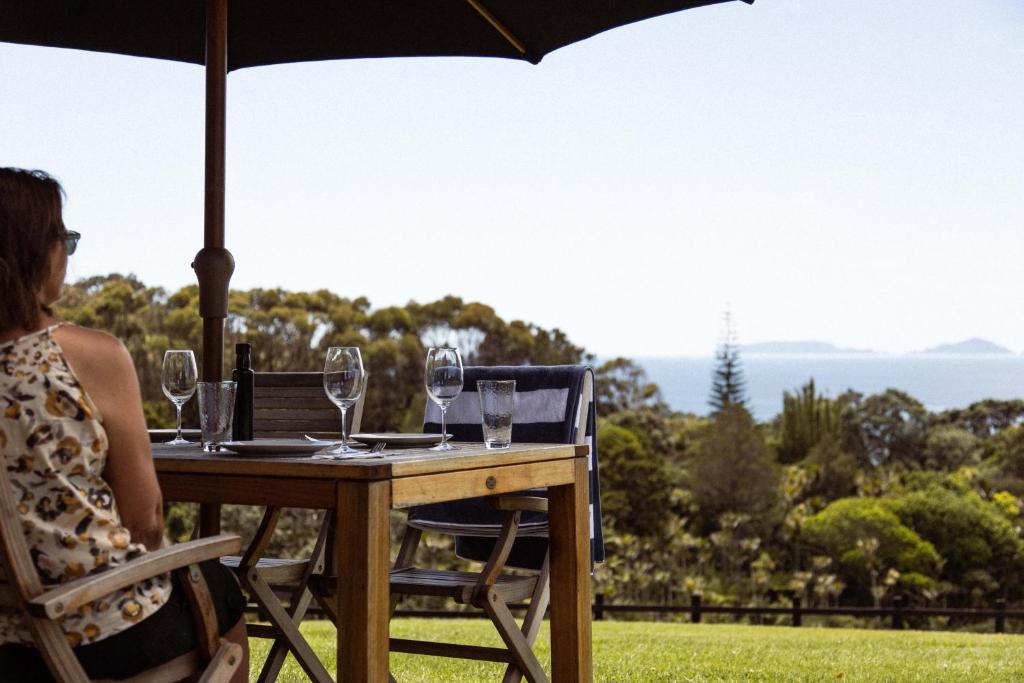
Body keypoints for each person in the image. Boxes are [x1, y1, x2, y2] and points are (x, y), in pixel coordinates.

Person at [0, 168, 248, 681]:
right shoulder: (87, 355)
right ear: (32, 251)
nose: (67, 253)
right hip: (94, 631)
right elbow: (146, 521)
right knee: (218, 583)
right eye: (63, 238)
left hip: (6, 647)